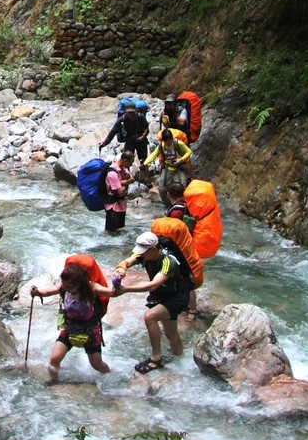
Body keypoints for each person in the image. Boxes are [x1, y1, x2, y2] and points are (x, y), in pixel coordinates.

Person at [112, 231, 189, 373]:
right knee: (171, 333)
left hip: (177, 297)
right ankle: (180, 362)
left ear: (154, 249)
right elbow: (127, 261)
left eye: (144, 252)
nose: (142, 255)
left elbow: (154, 284)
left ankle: (156, 358)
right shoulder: (144, 254)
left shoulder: (169, 261)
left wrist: (126, 289)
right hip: (163, 295)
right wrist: (121, 269)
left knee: (150, 317)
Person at [29, 262, 113, 382]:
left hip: (90, 330)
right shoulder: (64, 287)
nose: (65, 287)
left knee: (96, 365)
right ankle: (54, 382)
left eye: (69, 286)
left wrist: (117, 285)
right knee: (54, 360)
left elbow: (110, 292)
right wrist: (37, 293)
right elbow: (47, 292)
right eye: (64, 284)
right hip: (70, 327)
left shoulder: (90, 289)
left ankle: (110, 377)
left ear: (78, 284)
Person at [144, 128, 193, 206]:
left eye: (170, 141)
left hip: (179, 168)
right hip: (168, 168)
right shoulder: (161, 146)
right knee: (162, 188)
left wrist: (181, 160)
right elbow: (154, 154)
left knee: (181, 187)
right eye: (166, 141)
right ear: (163, 140)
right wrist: (145, 163)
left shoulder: (178, 143)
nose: (168, 143)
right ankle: (168, 204)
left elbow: (189, 152)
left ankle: (182, 205)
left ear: (172, 138)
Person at [103, 150, 136, 234]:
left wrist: (123, 181)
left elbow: (130, 178)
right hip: (112, 206)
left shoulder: (123, 169)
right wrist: (127, 182)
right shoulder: (112, 173)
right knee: (109, 232)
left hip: (120, 205)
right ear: (125, 161)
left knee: (117, 230)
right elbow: (120, 192)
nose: (131, 165)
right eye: (130, 163)